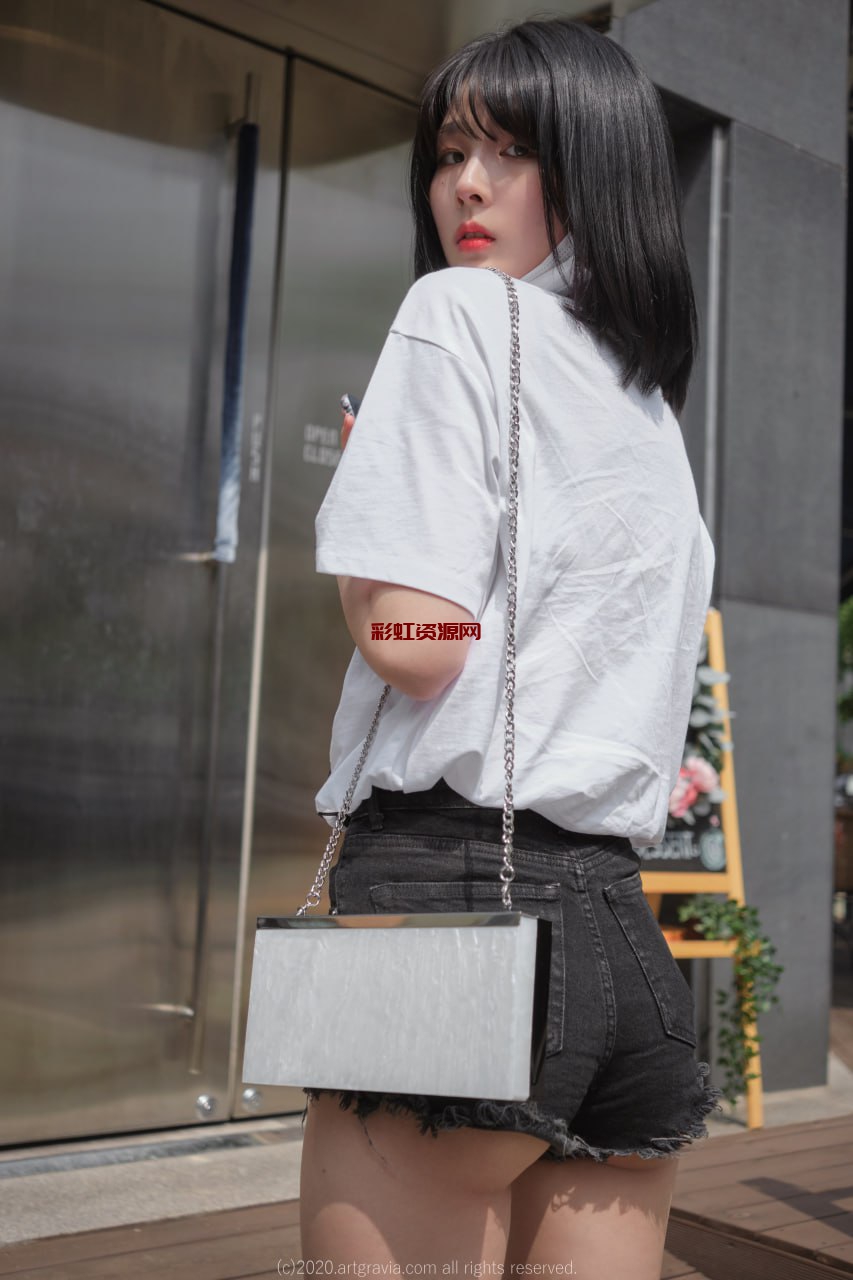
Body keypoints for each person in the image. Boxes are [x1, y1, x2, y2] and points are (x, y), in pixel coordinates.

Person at [299, 15, 723, 1275]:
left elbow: (414, 640)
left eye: (512, 150)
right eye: (449, 153)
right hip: (622, 942)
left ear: (595, 169)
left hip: (451, 897)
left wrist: (371, 547)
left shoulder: (457, 313)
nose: (467, 186)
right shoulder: (646, 407)